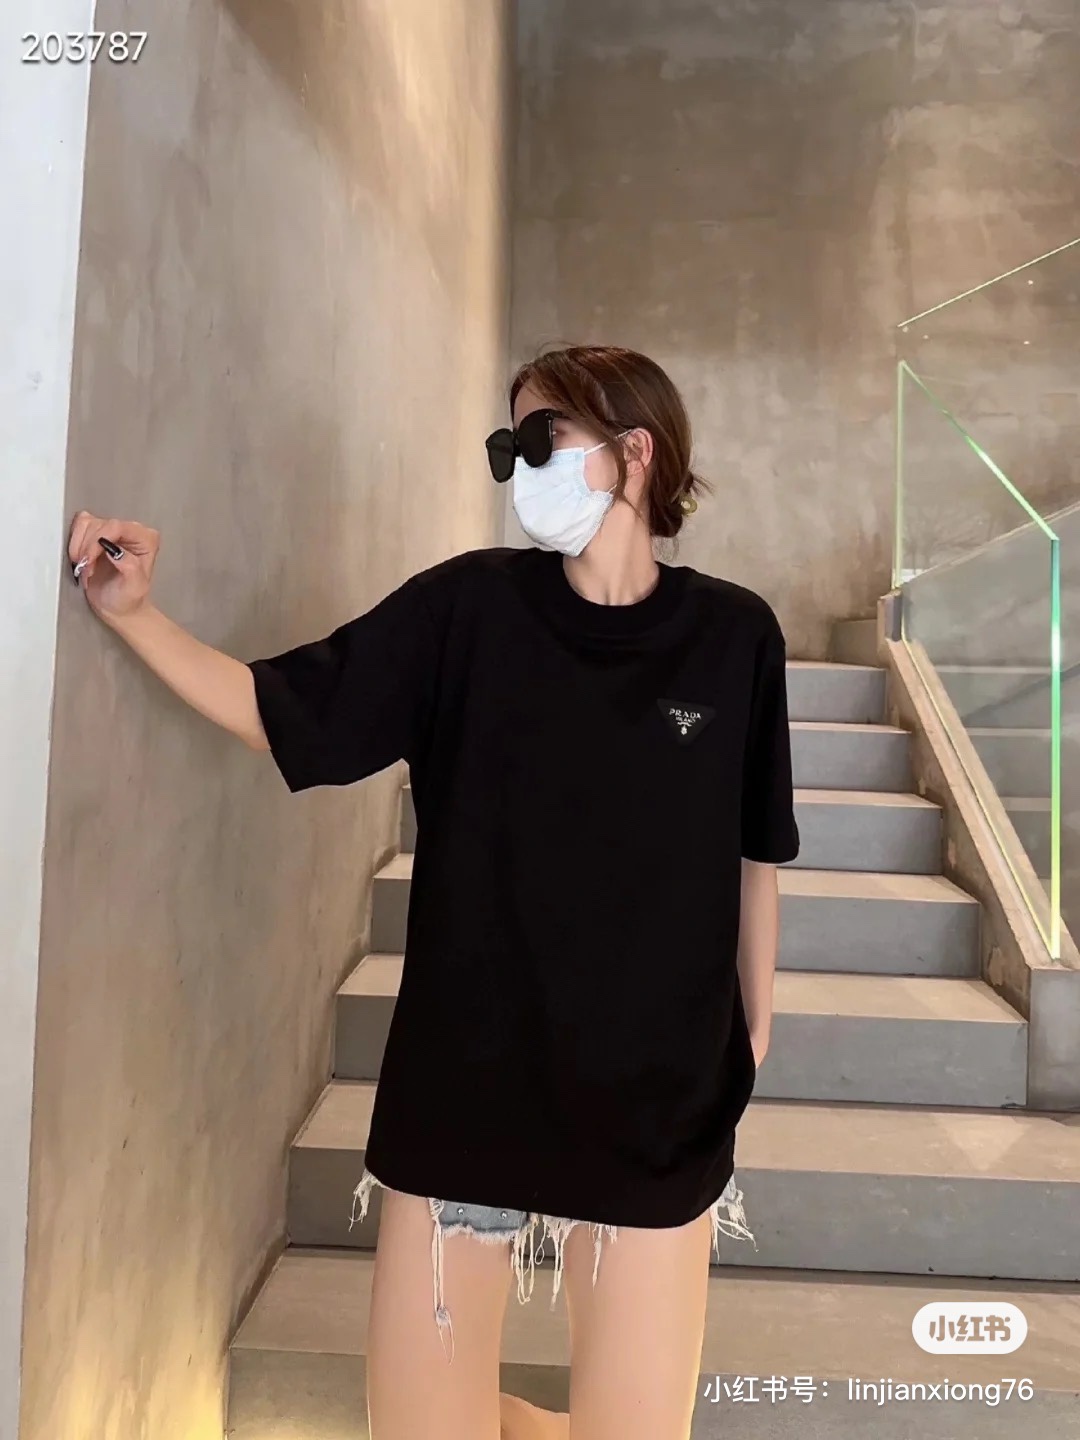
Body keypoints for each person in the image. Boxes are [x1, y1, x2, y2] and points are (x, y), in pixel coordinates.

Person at [68, 344, 799, 1440]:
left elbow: (755, 852)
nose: (521, 469)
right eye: (510, 447)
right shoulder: (469, 610)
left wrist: (754, 1033)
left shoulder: (735, 637)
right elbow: (286, 711)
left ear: (636, 451)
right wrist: (133, 614)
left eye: (543, 439)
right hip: (471, 1088)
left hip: (658, 1104)